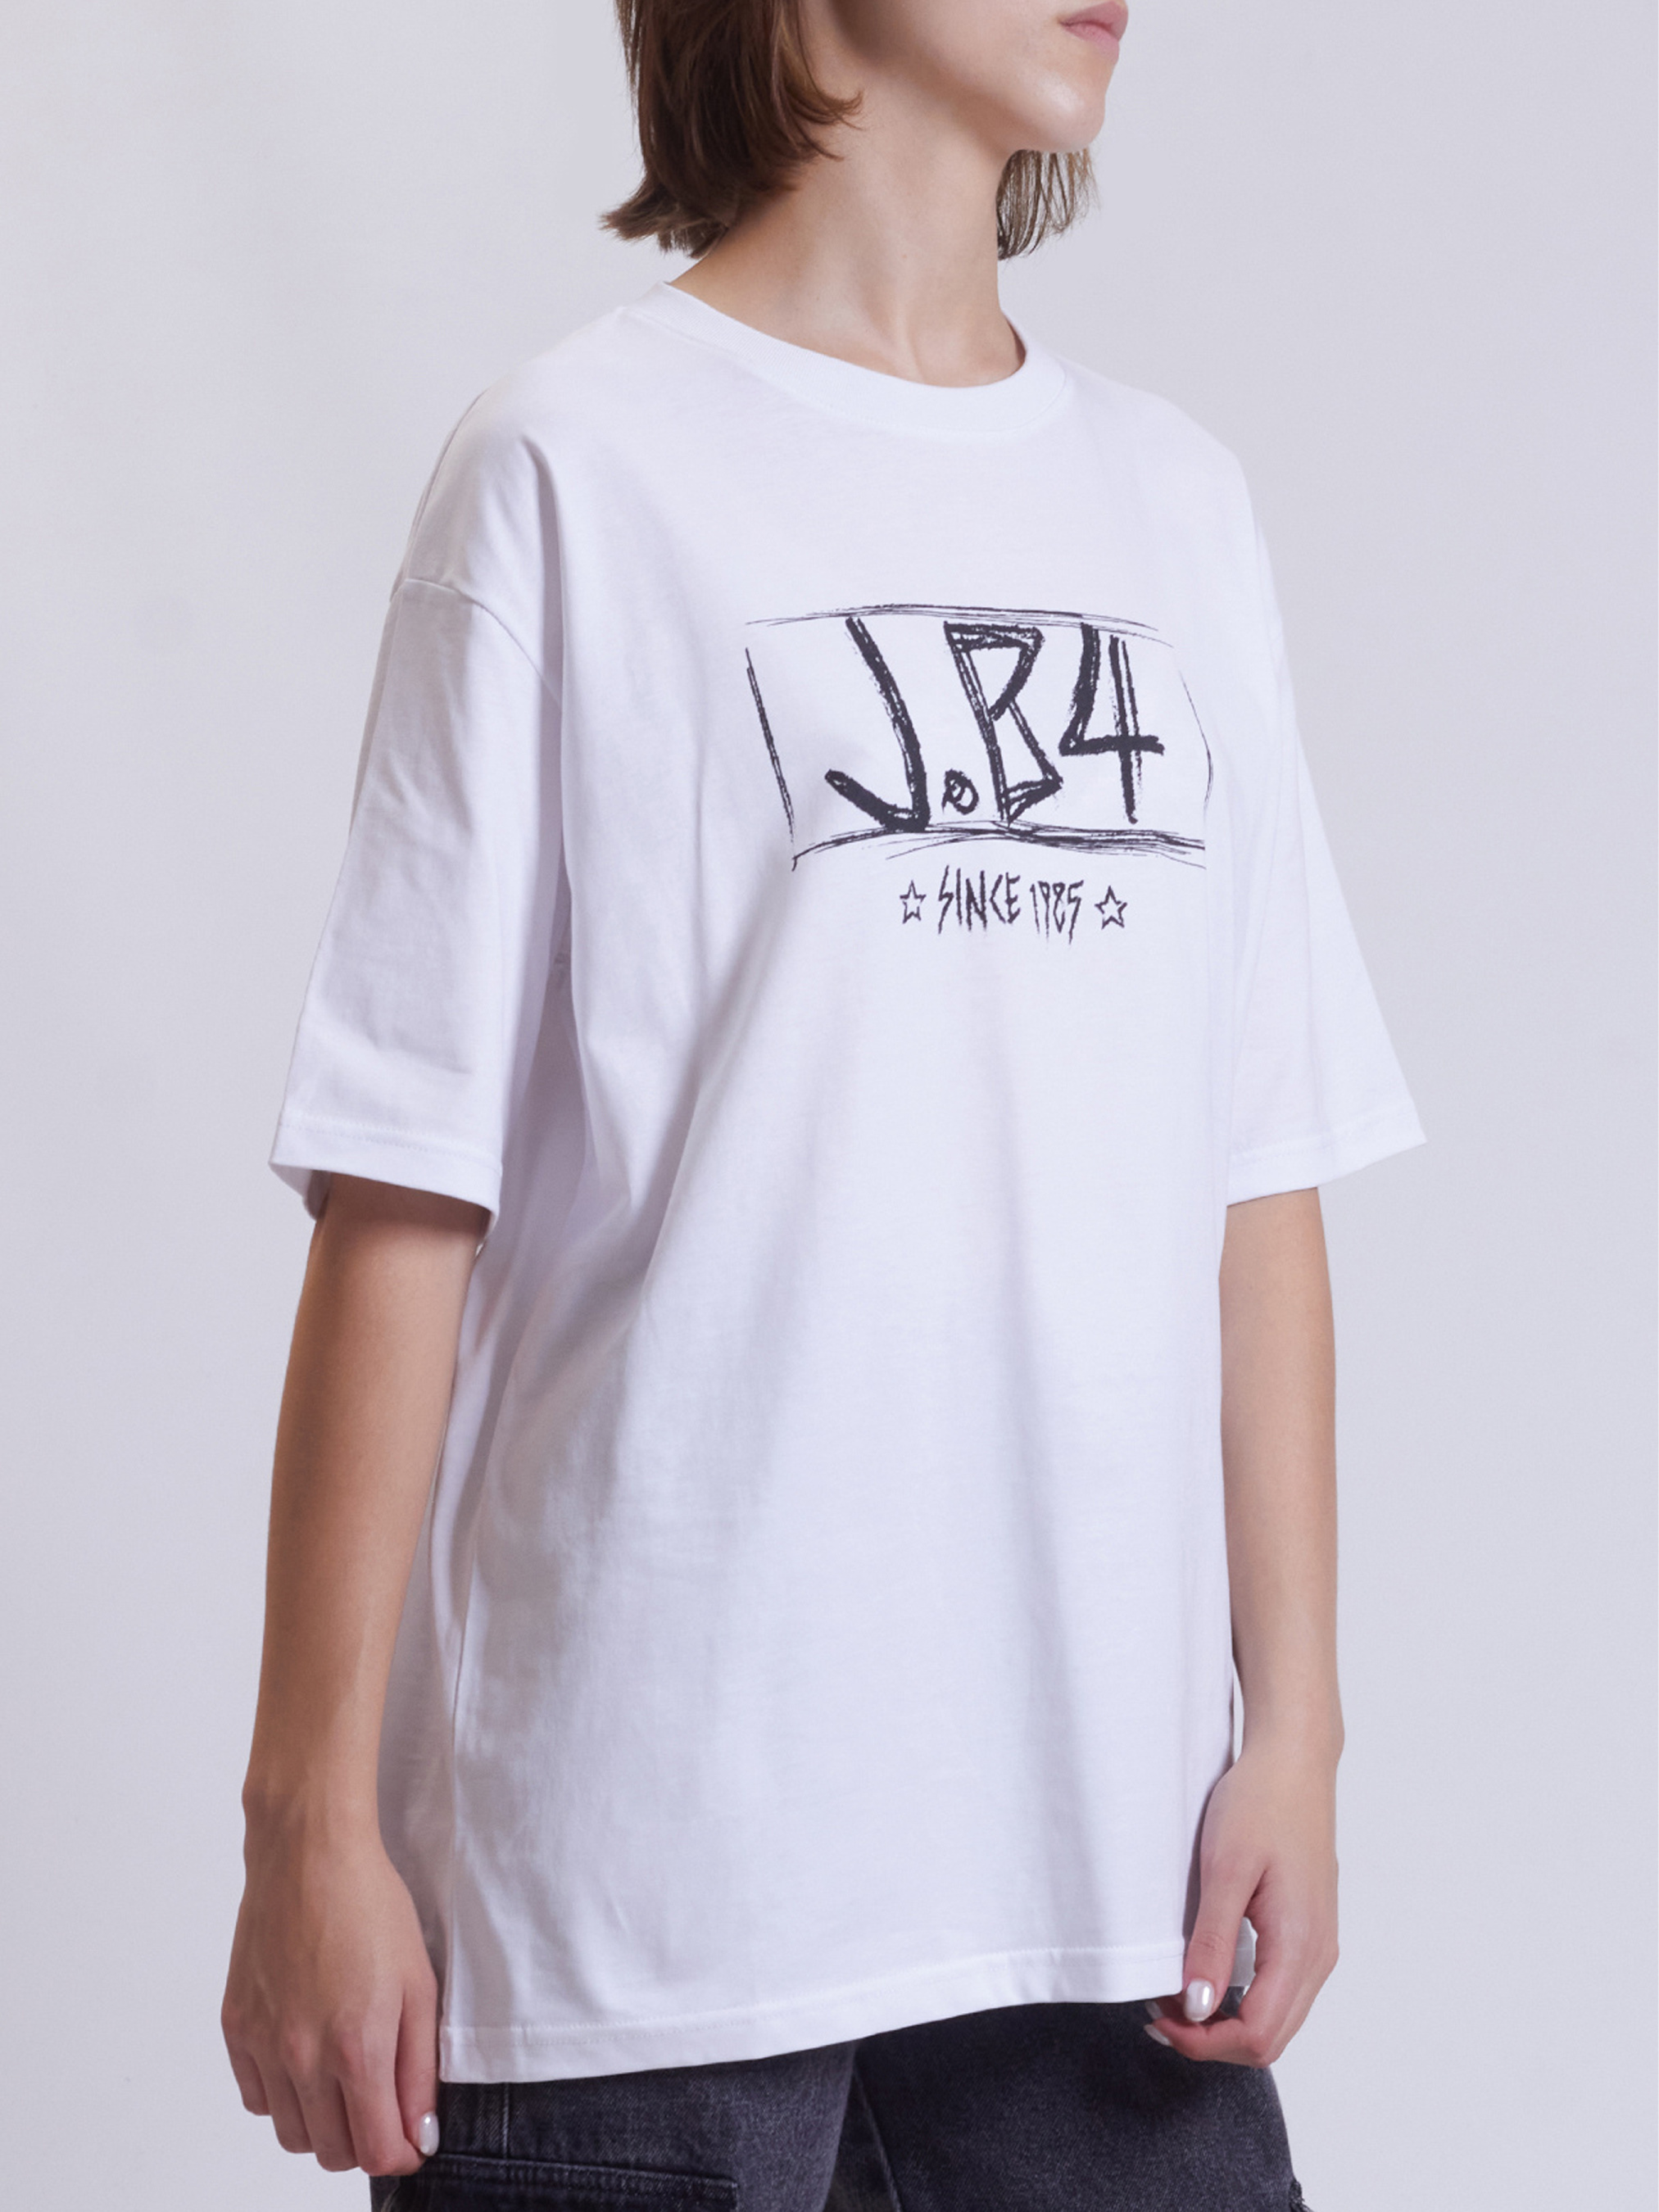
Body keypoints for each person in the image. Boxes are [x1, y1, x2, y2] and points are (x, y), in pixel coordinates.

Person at [221, 2, 1423, 2204]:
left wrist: (1302, 1738)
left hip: (1104, 1908)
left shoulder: (1175, 503)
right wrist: (308, 1822)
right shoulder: (573, 468)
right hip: (632, 1932)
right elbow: (405, 1184)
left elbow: (1256, 1175)